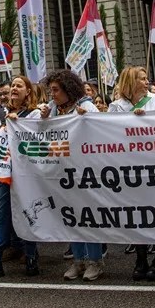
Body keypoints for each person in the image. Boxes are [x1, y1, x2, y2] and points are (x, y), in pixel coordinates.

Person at [0, 75, 42, 278]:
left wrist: (18, 122)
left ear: (28, 91)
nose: (13, 88)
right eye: (12, 85)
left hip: (26, 176)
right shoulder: (3, 113)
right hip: (5, 174)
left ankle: (31, 256)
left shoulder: (34, 113)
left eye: (19, 85)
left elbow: (37, 138)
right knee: (4, 216)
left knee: (26, 214)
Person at [107, 66, 155, 281]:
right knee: (136, 214)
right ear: (130, 82)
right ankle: (141, 258)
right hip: (128, 166)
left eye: (146, 79)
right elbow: (107, 134)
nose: (146, 82)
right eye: (141, 79)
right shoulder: (115, 106)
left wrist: (146, 121)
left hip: (153, 164)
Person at [40, 69, 102, 281]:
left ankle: (95, 261)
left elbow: (102, 132)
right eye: (51, 91)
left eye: (56, 90)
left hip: (85, 172)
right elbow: (35, 130)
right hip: (61, 173)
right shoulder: (52, 110)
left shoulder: (86, 107)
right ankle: (78, 260)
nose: (52, 95)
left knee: (88, 217)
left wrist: (89, 120)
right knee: (71, 216)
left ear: (68, 89)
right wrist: (43, 120)